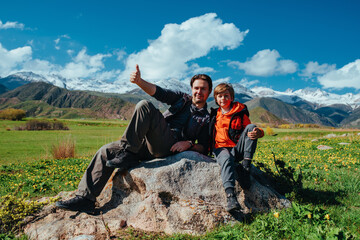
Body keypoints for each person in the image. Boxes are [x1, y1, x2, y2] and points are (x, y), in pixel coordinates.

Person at [55, 65, 212, 213]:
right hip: (147, 142)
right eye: (196, 88)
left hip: (168, 146)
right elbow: (159, 92)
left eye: (203, 89)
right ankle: (85, 199)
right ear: (191, 89)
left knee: (144, 105)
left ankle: (128, 152)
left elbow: (204, 147)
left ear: (209, 91)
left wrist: (189, 143)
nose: (199, 91)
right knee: (106, 152)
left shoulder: (208, 117)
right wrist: (139, 81)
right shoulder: (181, 99)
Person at [209, 83, 264, 212]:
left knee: (251, 127)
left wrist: (259, 132)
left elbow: (251, 131)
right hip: (221, 148)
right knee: (227, 159)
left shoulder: (240, 112)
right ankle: (231, 197)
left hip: (237, 148)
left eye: (226, 96)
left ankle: (245, 167)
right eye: (220, 96)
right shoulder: (213, 114)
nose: (223, 99)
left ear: (232, 97)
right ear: (216, 99)